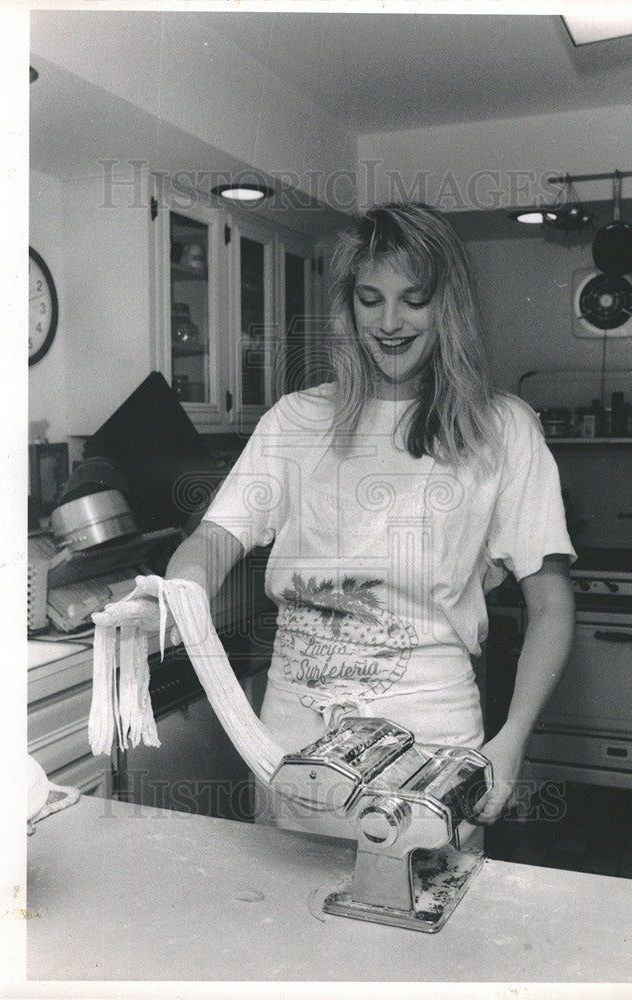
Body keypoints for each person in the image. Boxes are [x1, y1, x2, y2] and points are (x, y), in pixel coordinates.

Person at [165, 201, 576, 836]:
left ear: (450, 308)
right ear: (348, 305)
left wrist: (511, 740)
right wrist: (175, 595)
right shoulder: (297, 420)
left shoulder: (503, 430)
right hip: (291, 742)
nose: (389, 322)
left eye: (414, 300)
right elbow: (215, 540)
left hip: (430, 742)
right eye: (369, 298)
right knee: (286, 920)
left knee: (418, 914)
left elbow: (550, 603)